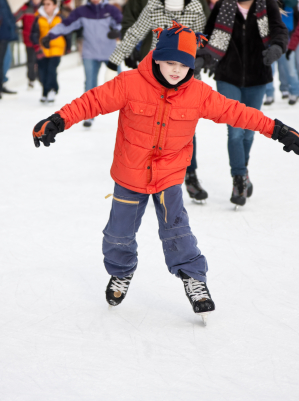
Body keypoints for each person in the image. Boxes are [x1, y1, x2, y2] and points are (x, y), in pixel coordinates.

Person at [32, 22, 299, 323]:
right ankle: (121, 273)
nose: (176, 70)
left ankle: (194, 279)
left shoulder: (198, 94)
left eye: (183, 64)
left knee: (178, 233)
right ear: (157, 57)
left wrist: (277, 130)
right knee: (118, 235)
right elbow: (92, 101)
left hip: (169, 177)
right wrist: (58, 119)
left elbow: (238, 112)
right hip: (130, 175)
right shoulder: (130, 83)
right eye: (170, 62)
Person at [107, 0, 209, 202]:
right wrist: (115, 59)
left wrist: (202, 58)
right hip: (156, 76)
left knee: (185, 129)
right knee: (152, 127)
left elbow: (203, 40)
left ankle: (190, 175)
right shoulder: (154, 6)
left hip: (184, 78)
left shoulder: (196, 8)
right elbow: (136, 31)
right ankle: (150, 176)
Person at [196, 0, 288, 206]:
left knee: (249, 129)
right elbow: (207, 35)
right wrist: (202, 58)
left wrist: (277, 48)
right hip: (228, 76)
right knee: (236, 130)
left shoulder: (267, 5)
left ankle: (243, 171)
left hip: (258, 76)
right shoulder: (223, 6)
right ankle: (238, 179)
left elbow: (280, 31)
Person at [41, 0, 123, 127]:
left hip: (110, 53)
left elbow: (122, 23)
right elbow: (66, 25)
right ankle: (89, 115)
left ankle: (129, 110)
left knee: (121, 82)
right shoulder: (81, 11)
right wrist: (50, 35)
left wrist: (118, 31)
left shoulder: (111, 9)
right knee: (90, 84)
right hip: (90, 53)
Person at [264, 0, 299, 106]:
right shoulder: (265, 5)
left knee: (289, 68)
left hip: (285, 38)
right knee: (268, 68)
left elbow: (292, 3)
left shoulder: (289, 5)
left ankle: (294, 91)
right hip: (268, 40)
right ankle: (269, 94)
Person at [30, 0, 66, 103]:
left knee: (51, 70)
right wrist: (37, 45)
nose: (46, 6)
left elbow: (66, 32)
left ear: (54, 5)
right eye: (44, 4)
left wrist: (67, 47)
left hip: (57, 48)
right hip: (42, 49)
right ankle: (46, 90)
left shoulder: (60, 17)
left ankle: (51, 90)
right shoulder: (38, 17)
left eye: (48, 4)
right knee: (42, 72)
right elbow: (34, 33)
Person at [15, 0, 42, 89]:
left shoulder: (45, 7)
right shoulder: (25, 8)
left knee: (42, 60)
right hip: (29, 39)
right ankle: (31, 79)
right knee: (31, 60)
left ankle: (42, 78)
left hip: (42, 40)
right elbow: (14, 18)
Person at [0, 0, 18, 99]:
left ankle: (2, 83)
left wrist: (13, 28)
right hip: (3, 34)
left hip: (4, 35)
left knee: (6, 60)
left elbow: (8, 15)